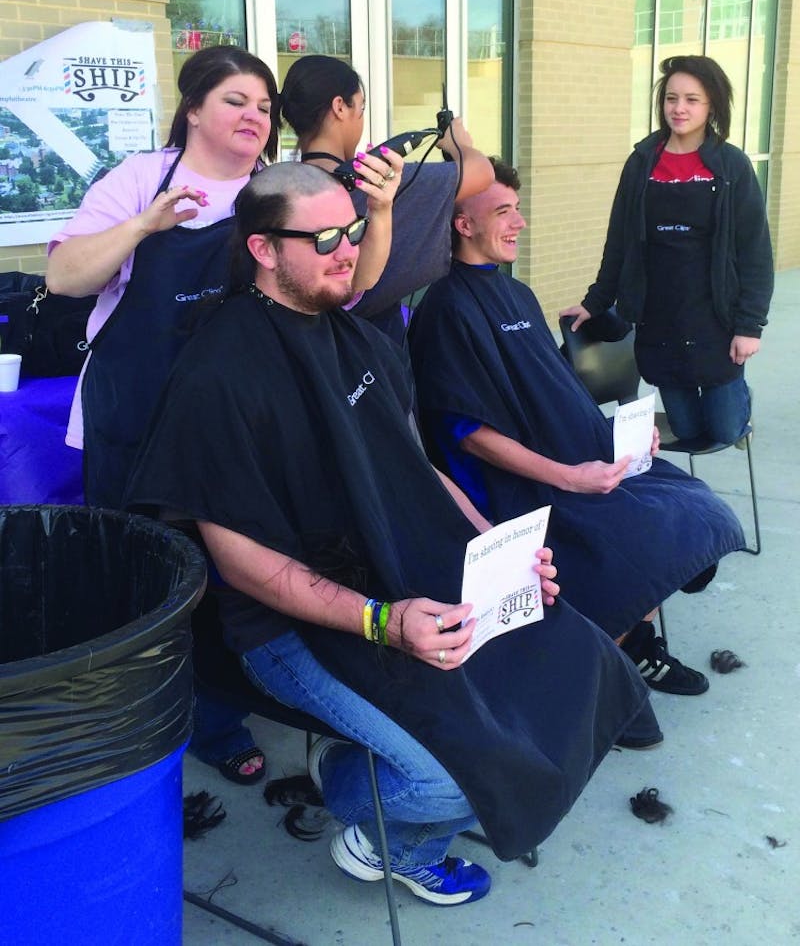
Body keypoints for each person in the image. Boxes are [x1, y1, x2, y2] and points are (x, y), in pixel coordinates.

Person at [124, 162, 648, 904]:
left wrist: (503, 553)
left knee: (582, 663)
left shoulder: (359, 336)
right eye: (327, 236)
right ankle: (366, 795)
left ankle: (377, 761)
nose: (348, 249)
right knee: (447, 781)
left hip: (409, 571)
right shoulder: (219, 372)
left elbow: (415, 467)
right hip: (292, 626)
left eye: (354, 229)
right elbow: (238, 561)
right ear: (265, 249)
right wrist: (381, 620)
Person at [45, 45, 401, 786]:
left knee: (229, 579)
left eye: (266, 106)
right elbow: (66, 276)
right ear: (196, 107)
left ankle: (216, 718)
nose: (254, 116)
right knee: (143, 584)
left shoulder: (275, 191)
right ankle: (138, 730)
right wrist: (144, 225)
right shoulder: (143, 177)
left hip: (236, 422)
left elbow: (354, 290)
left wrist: (383, 212)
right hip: (134, 419)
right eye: (237, 100)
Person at [408, 158, 746, 707]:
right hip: (517, 486)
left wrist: (623, 440)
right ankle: (607, 671)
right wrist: (569, 477)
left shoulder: (515, 295)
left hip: (578, 459)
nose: (518, 222)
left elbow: (554, 392)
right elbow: (467, 432)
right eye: (502, 212)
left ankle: (631, 642)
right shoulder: (445, 310)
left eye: (518, 209)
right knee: (636, 534)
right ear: (462, 224)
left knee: (690, 504)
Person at [561, 54, 774, 446]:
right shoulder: (642, 162)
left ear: (712, 106)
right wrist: (595, 301)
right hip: (659, 318)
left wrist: (749, 326)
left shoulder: (732, 167)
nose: (679, 108)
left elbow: (755, 252)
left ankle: (739, 401)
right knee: (690, 433)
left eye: (692, 99)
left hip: (714, 316)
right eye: (671, 98)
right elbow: (619, 240)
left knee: (724, 430)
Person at [277, 54, 494, 340]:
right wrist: (456, 143)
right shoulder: (376, 186)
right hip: (372, 353)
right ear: (340, 107)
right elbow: (482, 172)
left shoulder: (279, 188)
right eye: (361, 107)